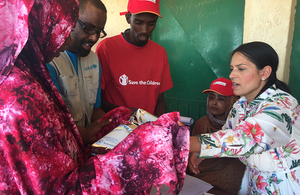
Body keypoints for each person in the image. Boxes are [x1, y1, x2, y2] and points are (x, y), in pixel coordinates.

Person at [0, 0, 190, 194]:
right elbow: (58, 183)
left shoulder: (40, 69)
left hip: (84, 155)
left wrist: (119, 125)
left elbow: (91, 111)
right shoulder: (20, 90)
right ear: (37, 23)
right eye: (64, 27)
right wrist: (143, 144)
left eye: (98, 31)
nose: (65, 39)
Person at [189, 41, 300, 194]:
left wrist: (183, 141)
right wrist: (199, 152)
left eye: (241, 69)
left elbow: (244, 138)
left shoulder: (282, 105)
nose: (231, 75)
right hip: (255, 179)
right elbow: (227, 133)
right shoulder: (240, 105)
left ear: (265, 72)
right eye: (232, 69)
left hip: (285, 184)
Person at [95, 0, 173, 117]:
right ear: (128, 18)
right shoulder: (106, 48)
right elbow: (97, 99)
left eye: (151, 23)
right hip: (116, 128)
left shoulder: (160, 53)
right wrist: (127, 113)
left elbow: (160, 99)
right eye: (139, 22)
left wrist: (159, 124)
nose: (144, 30)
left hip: (147, 129)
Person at [47, 0, 107, 145]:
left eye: (99, 31)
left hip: (88, 145)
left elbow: (95, 109)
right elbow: (54, 124)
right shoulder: (51, 61)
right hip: (66, 145)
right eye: (88, 28)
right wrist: (84, 135)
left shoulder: (93, 59)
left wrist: (116, 124)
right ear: (71, 21)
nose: (94, 38)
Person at [190, 77, 245, 194]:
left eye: (221, 99)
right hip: (201, 175)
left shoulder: (238, 126)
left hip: (226, 178)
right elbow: (193, 157)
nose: (214, 102)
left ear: (231, 102)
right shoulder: (201, 123)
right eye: (211, 98)